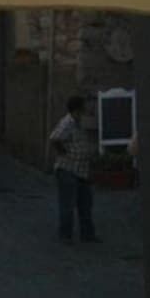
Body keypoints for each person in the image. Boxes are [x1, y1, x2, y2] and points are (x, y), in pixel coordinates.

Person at [49, 93, 99, 243]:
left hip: (81, 170)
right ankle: (65, 236)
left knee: (85, 203)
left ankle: (87, 234)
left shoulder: (77, 123)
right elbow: (54, 138)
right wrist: (63, 152)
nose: (86, 110)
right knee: (68, 204)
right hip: (67, 169)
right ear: (78, 109)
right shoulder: (67, 123)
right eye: (84, 107)